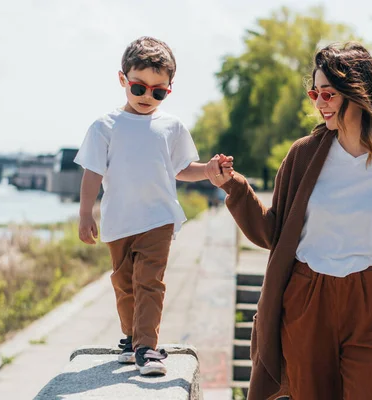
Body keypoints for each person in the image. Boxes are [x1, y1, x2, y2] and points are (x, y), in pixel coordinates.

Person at [212, 42, 372, 400]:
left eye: (328, 94)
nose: (319, 103)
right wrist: (234, 187)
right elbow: (273, 231)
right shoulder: (304, 155)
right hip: (307, 298)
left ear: (358, 93)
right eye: (314, 93)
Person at [74, 36, 233, 376]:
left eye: (159, 91)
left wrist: (207, 170)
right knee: (124, 284)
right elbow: (91, 173)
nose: (148, 97)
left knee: (150, 281)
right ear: (122, 80)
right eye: (139, 88)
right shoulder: (105, 127)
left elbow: (180, 168)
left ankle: (147, 347)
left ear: (169, 89)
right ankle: (131, 338)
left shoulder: (171, 127)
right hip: (119, 222)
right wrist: (86, 212)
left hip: (158, 219)